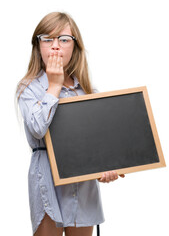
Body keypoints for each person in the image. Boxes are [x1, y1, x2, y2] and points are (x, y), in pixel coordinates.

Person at [16, 12, 125, 236]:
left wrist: (105, 168)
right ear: (38, 46)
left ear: (75, 47)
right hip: (47, 177)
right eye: (48, 39)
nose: (55, 46)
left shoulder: (87, 91)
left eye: (64, 39)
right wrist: (54, 86)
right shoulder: (29, 88)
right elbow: (38, 129)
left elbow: (96, 143)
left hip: (82, 183)